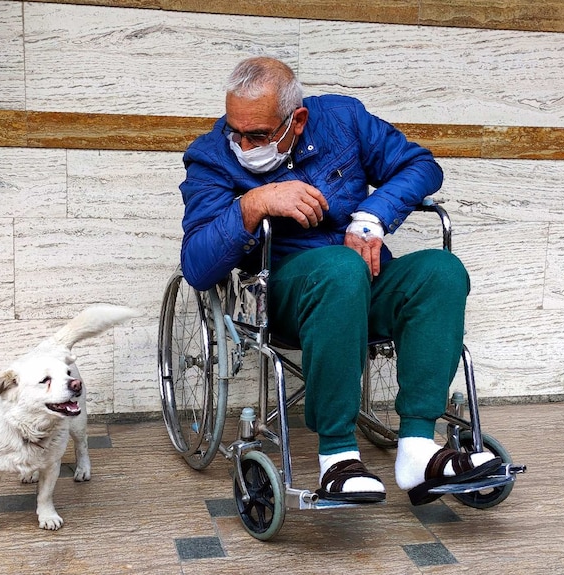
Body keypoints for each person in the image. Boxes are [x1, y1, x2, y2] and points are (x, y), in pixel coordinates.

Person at [179, 57, 500, 506]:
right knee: (339, 269)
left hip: (365, 278)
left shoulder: (342, 120)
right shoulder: (211, 156)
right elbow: (196, 265)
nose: (243, 144)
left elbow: (421, 166)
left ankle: (417, 448)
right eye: (236, 130)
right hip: (285, 292)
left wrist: (374, 215)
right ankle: (337, 456)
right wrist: (253, 204)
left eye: (258, 135)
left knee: (441, 272)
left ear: (298, 120)